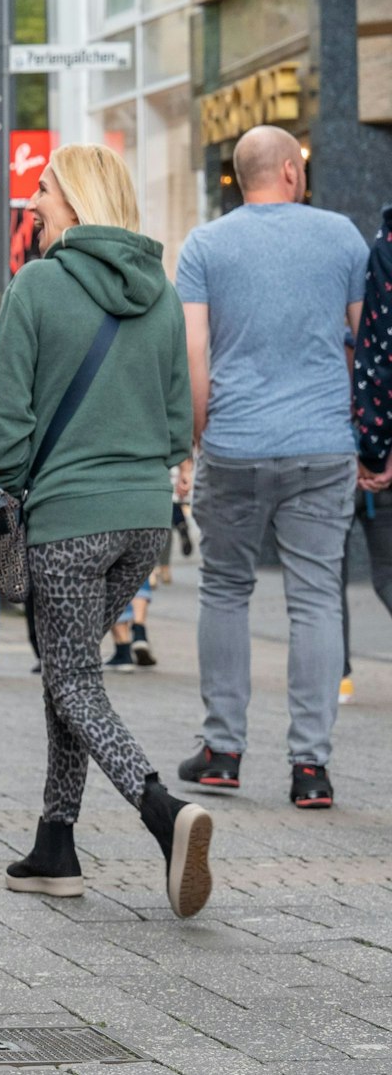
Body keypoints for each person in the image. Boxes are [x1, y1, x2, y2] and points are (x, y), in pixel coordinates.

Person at [0, 143, 212, 918]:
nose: (32, 204)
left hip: (69, 522)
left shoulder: (38, 285)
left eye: (42, 190)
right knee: (69, 664)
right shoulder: (161, 293)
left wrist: (15, 484)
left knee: (72, 674)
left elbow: (6, 417)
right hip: (144, 522)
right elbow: (180, 424)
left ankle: (163, 813)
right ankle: (56, 843)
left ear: (75, 202)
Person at [175, 125, 370, 810]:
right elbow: (369, 347)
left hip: (234, 442)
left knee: (225, 588)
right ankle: (310, 767)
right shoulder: (343, 236)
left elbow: (194, 356)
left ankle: (224, 750)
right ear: (290, 172)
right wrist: (372, 438)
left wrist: (197, 437)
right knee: (315, 596)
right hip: (323, 443)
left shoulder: (205, 245)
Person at [345, 202, 392, 706]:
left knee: (325, 579)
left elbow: (380, 362)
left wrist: (375, 451)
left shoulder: (383, 252)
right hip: (367, 452)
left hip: (344, 449)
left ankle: (338, 676)